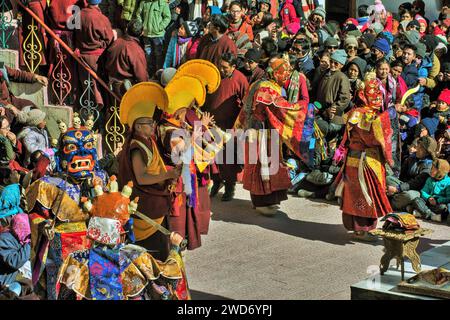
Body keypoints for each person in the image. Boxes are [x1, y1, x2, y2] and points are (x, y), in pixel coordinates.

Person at [235, 57, 314, 215]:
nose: (286, 77)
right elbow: (279, 107)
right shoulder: (266, 88)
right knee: (260, 166)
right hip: (259, 133)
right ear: (276, 73)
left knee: (269, 165)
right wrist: (302, 107)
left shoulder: (263, 84)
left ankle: (268, 199)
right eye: (284, 73)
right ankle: (260, 202)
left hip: (265, 132)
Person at [118, 82, 180, 261]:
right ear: (137, 127)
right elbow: (142, 177)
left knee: (162, 248)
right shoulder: (136, 147)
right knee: (151, 254)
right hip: (145, 205)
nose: (153, 125)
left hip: (156, 201)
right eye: (148, 123)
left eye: (152, 122)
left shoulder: (148, 141)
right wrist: (167, 175)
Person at [336, 76, 393, 242]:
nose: (377, 97)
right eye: (373, 93)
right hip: (363, 162)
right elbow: (371, 138)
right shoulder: (362, 114)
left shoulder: (361, 113)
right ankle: (361, 230)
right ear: (363, 94)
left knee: (361, 195)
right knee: (363, 196)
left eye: (379, 93)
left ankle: (361, 229)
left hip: (360, 161)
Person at [205, 53, 249, 201]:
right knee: (213, 158)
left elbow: (246, 103)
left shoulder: (240, 79)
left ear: (233, 67)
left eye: (225, 68)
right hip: (212, 123)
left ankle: (230, 187)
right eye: (220, 66)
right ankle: (216, 183)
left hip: (230, 127)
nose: (221, 70)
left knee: (227, 159)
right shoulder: (214, 75)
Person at [74, 0, 115, 108]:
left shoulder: (78, 14)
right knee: (98, 87)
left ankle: (88, 116)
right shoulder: (101, 18)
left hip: (82, 57)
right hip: (97, 59)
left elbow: (74, 36)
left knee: (85, 86)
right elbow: (110, 40)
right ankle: (98, 117)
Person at [101, 19, 149, 98]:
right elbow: (142, 77)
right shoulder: (136, 50)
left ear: (126, 29)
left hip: (111, 86)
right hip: (126, 90)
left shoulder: (116, 42)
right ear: (142, 33)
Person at [136, 0, 172, 77]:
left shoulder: (162, 3)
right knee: (148, 54)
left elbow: (167, 17)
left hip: (158, 35)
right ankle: (149, 72)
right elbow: (138, 14)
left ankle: (158, 73)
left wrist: (159, 27)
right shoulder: (144, 2)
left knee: (158, 54)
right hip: (146, 34)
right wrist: (142, 27)